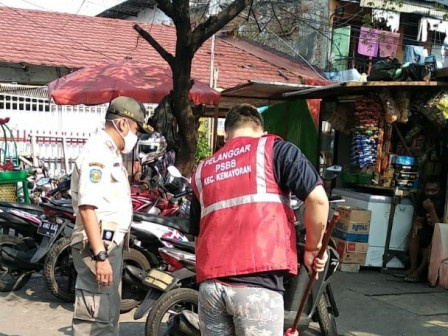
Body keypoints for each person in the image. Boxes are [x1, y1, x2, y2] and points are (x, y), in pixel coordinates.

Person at [189, 103, 329, 336]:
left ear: (226, 135)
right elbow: (319, 200)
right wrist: (313, 249)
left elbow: (198, 233)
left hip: (210, 288)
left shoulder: (203, 170)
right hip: (257, 286)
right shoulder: (277, 151)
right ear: (262, 131)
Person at [70, 96, 152, 335]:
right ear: (123, 124)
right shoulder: (98, 152)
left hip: (107, 244)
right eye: (136, 129)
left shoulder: (110, 152)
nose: (135, 136)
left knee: (107, 318)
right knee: (94, 322)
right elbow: (87, 207)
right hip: (97, 247)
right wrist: (100, 256)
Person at [404, 176, 444, 283]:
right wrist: (417, 224)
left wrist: (432, 211)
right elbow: (419, 218)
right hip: (427, 230)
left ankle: (419, 271)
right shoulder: (423, 200)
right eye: (428, 190)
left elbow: (440, 229)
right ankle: (413, 267)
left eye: (434, 191)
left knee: (432, 243)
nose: (430, 193)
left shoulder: (443, 202)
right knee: (414, 233)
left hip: (440, 234)